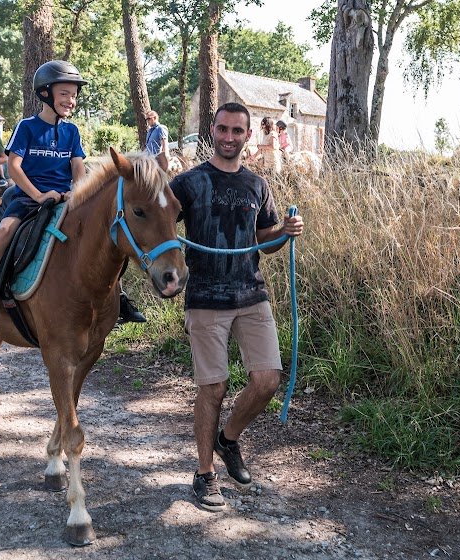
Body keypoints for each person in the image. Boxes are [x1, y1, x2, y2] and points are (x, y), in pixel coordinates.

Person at [169, 102, 304, 512]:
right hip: (206, 297)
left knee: (267, 380)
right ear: (212, 130)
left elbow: (267, 238)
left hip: (251, 293)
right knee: (214, 386)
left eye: (237, 131)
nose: (229, 137)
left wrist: (286, 231)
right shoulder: (187, 183)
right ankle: (204, 473)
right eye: (223, 129)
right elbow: (157, 223)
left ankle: (228, 440)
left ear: (248, 136)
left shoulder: (257, 186)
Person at [0, 60, 89, 338]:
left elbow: (78, 168)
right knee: (5, 230)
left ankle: (118, 299)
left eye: (74, 95)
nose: (71, 100)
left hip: (64, 198)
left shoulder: (72, 131)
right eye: (64, 93)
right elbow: (13, 167)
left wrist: (78, 193)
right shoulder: (27, 127)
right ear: (46, 93)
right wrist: (39, 195)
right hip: (28, 197)